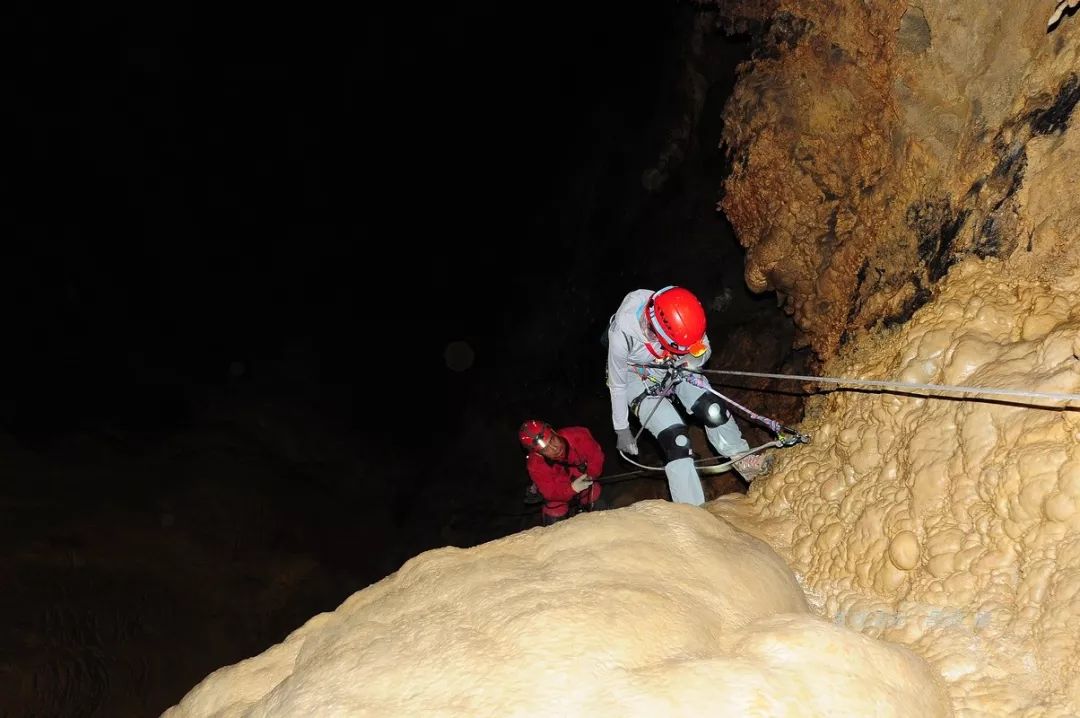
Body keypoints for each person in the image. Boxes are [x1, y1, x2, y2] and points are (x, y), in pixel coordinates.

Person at [605, 285, 769, 506]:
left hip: (674, 363)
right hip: (634, 378)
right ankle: (691, 512)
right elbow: (617, 385)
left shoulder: (682, 313)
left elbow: (702, 349)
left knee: (712, 409)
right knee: (676, 440)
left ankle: (743, 460)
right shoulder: (622, 335)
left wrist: (690, 361)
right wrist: (621, 428)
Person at [518, 419, 605, 525]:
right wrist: (572, 489)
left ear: (553, 431)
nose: (554, 448)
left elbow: (596, 458)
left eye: (552, 439)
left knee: (593, 491)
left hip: (583, 478)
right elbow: (550, 492)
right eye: (546, 449)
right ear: (538, 453)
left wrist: (591, 475)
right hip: (560, 489)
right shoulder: (535, 465)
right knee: (553, 509)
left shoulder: (578, 435)